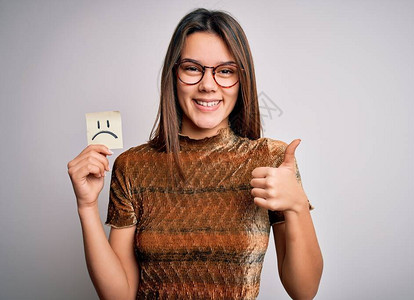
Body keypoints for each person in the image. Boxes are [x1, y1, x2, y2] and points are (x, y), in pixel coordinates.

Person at [68, 8, 323, 300]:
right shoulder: (132, 166)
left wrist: (297, 206)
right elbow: (119, 295)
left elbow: (304, 291)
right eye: (192, 68)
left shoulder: (271, 160)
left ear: (242, 81)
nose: (208, 84)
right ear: (173, 74)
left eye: (225, 71)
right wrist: (86, 207)